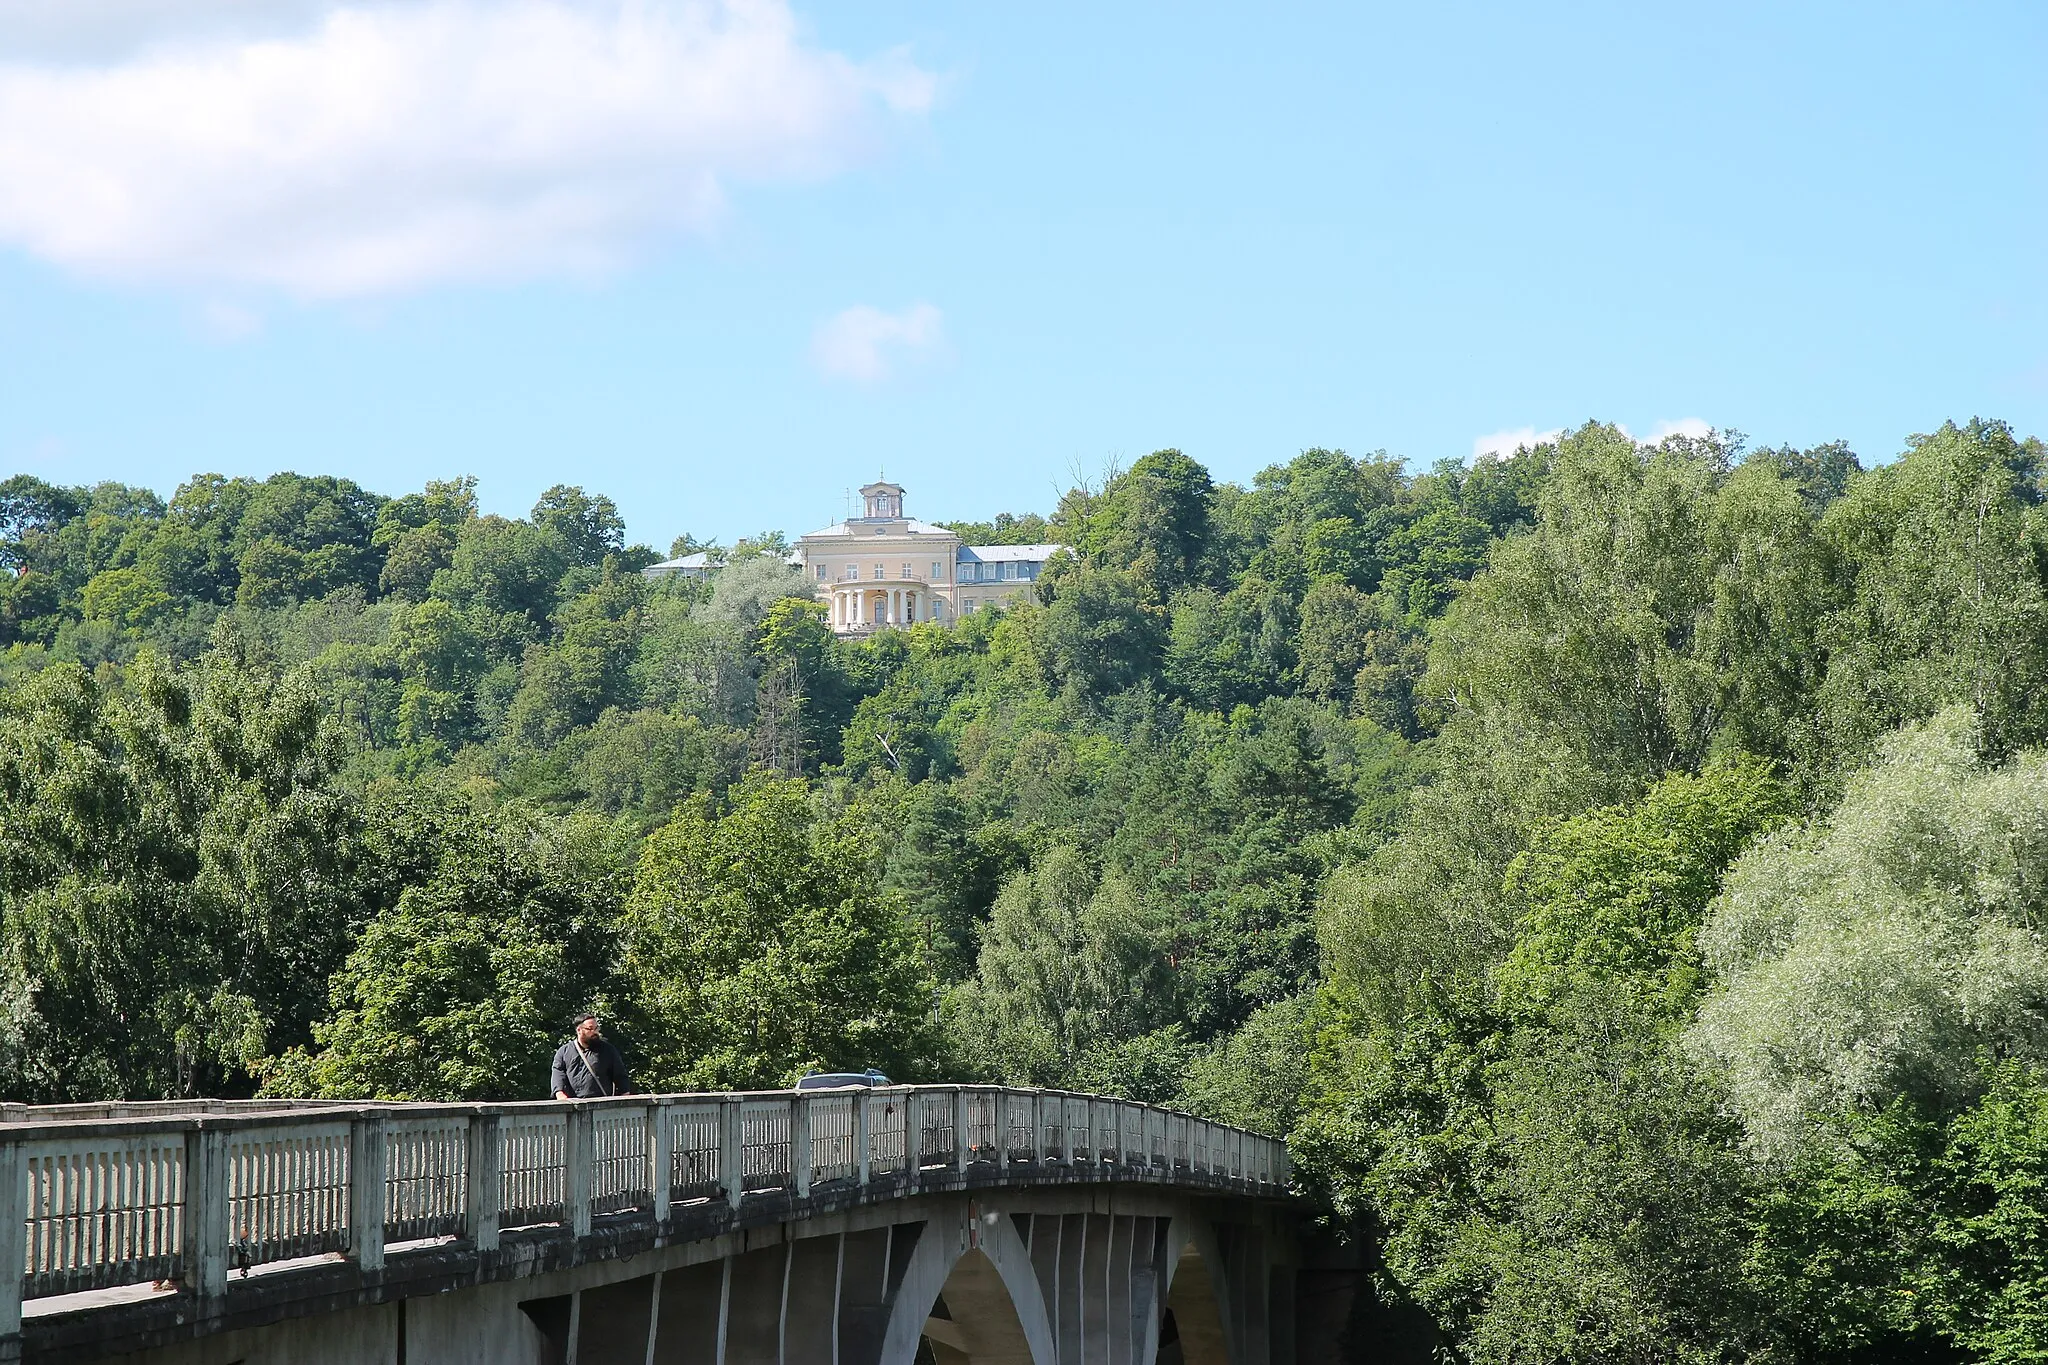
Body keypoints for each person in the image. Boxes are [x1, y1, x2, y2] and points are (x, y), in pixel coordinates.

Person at [551, 1012, 631, 1099]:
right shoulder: (564, 1052)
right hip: (574, 1106)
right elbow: (558, 1075)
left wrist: (624, 1096)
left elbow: (620, 1075)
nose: (595, 1032)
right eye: (590, 1029)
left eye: (596, 1028)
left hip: (601, 1105)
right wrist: (561, 1095)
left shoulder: (608, 1050)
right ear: (579, 1030)